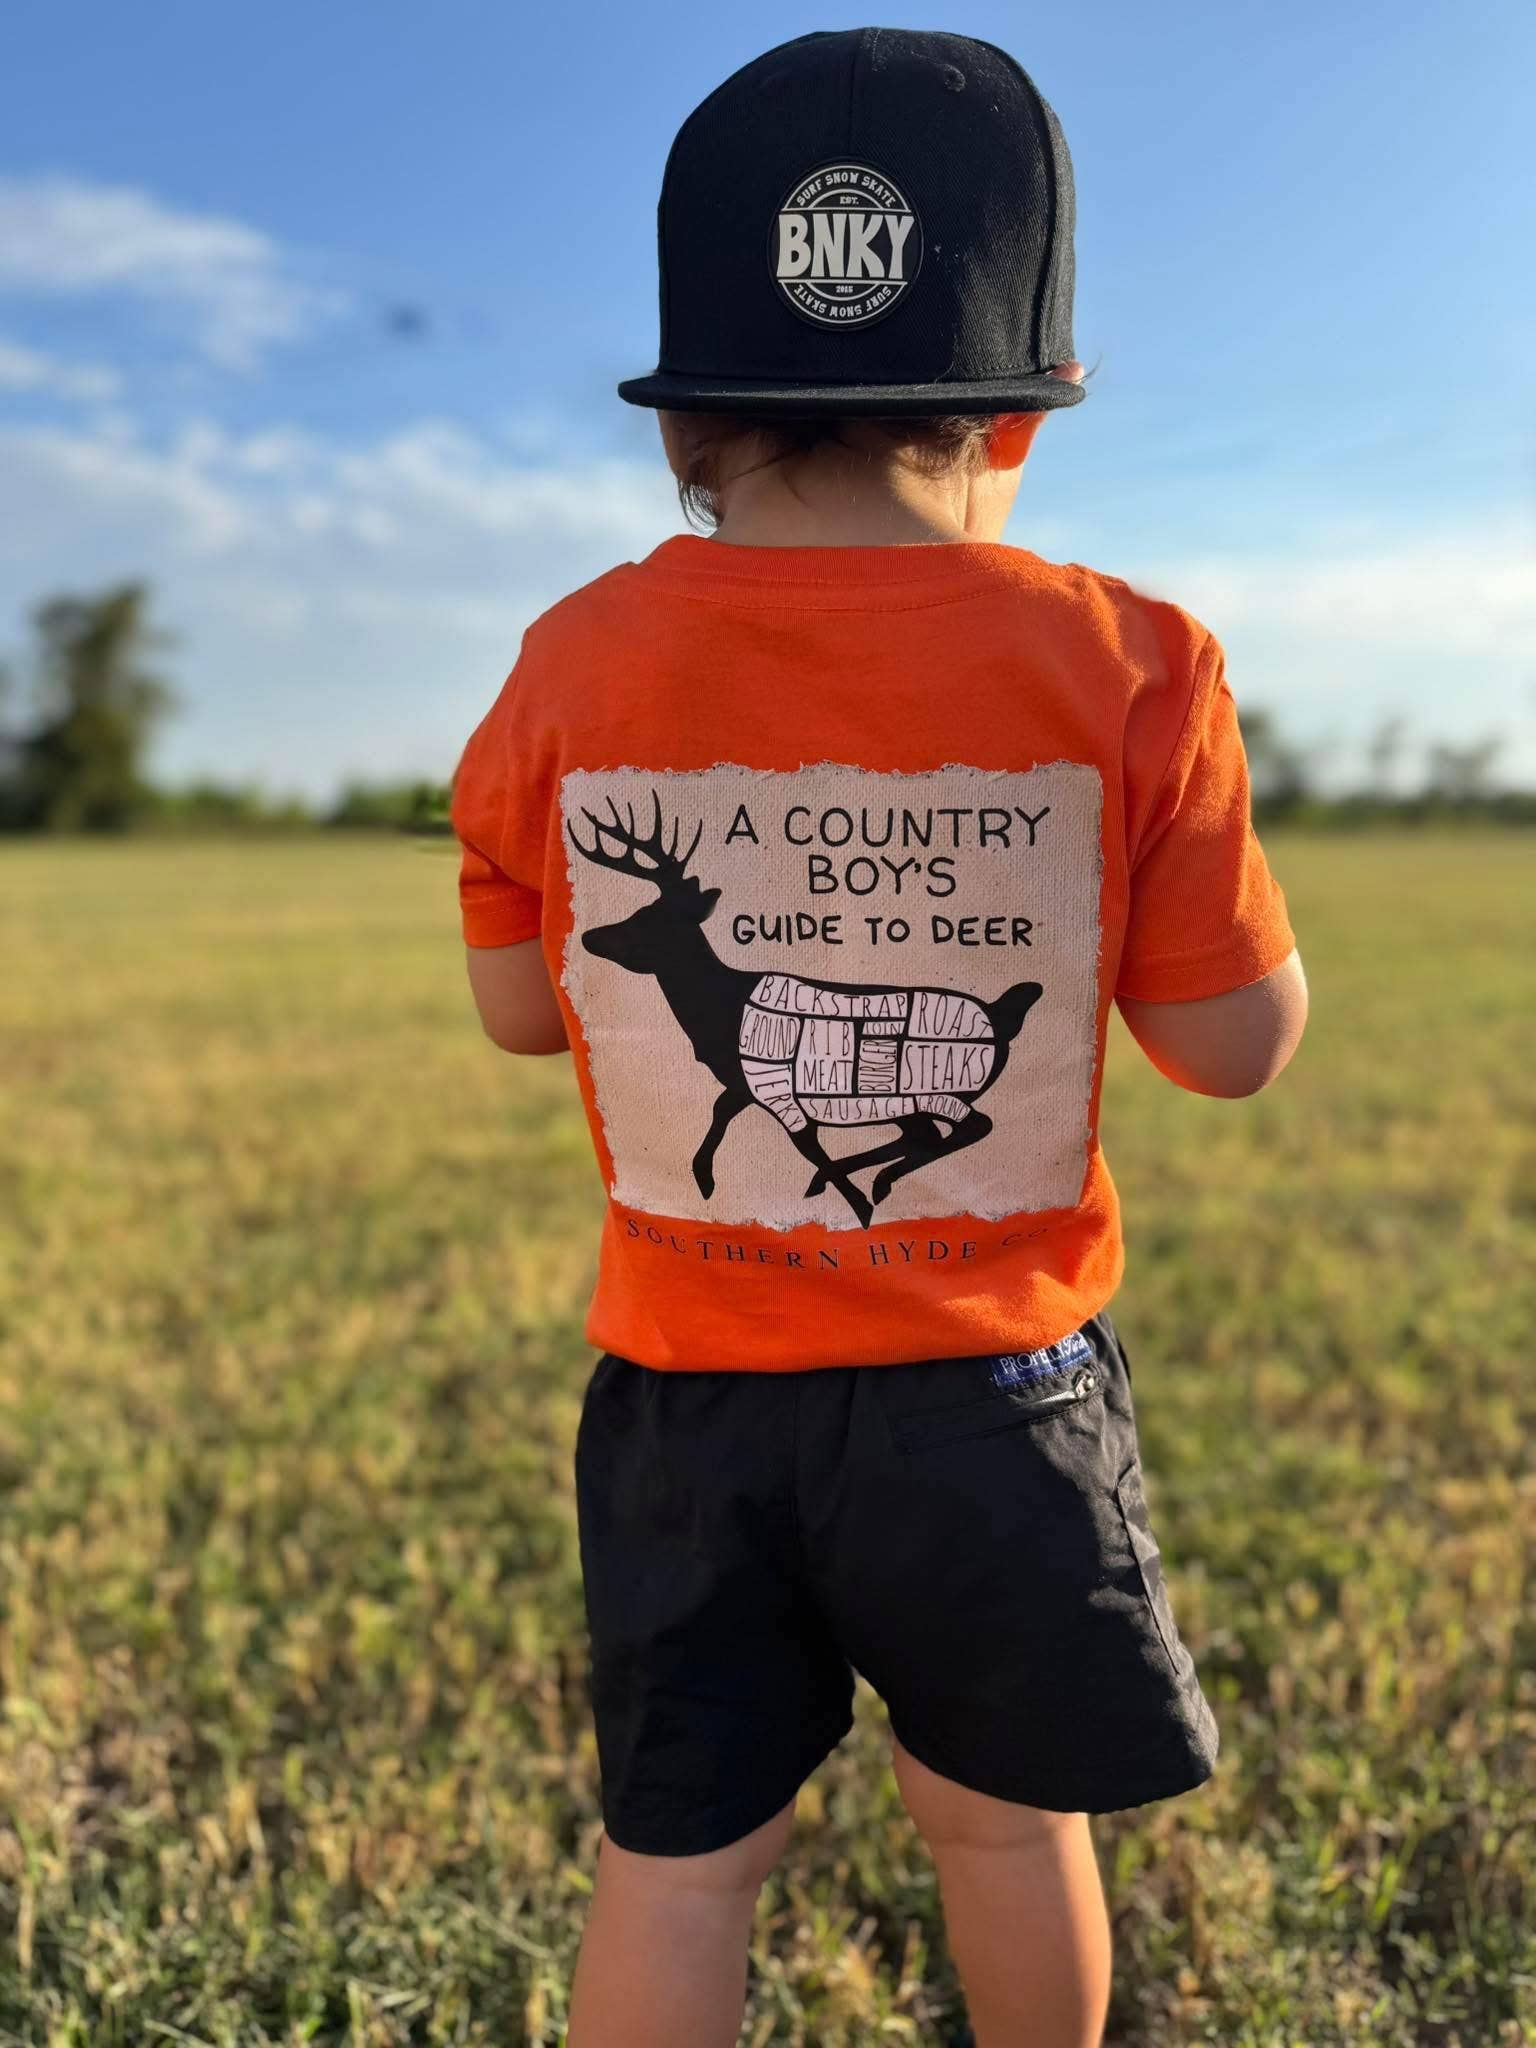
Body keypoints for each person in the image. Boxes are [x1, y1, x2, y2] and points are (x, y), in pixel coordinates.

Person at [450, 28, 1308, 2048]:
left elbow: (519, 1010)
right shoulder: (1137, 661)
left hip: (688, 1395)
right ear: (1026, 404)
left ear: (686, 423)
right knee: (1005, 1826)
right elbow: (1233, 1046)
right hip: (990, 1396)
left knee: (681, 1860)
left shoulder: (575, 657)